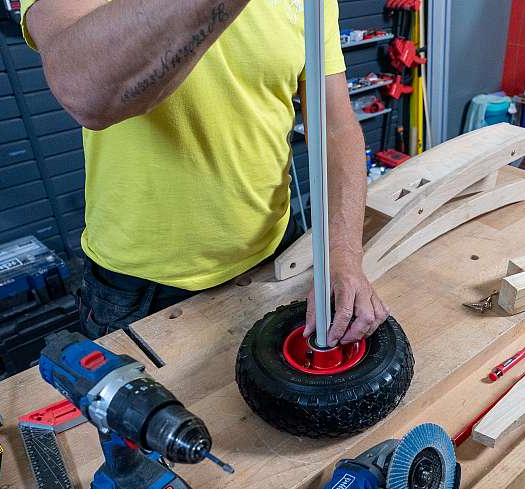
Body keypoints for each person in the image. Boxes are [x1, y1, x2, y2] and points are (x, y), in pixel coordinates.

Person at [20, 0, 389, 344]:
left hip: (275, 254)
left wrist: (343, 255)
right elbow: (86, 91)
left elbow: (335, 126)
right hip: (141, 290)